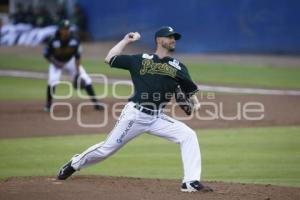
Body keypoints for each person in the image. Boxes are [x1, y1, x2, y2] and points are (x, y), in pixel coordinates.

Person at [57, 26, 213, 192]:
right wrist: (126, 41)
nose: (173, 40)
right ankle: (75, 163)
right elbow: (110, 58)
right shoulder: (139, 59)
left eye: (175, 37)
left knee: (188, 135)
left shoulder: (178, 67)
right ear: (159, 40)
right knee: (106, 150)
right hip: (135, 115)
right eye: (170, 37)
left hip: (157, 118)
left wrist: (195, 104)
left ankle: (190, 182)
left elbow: (191, 91)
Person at [43, 20, 103, 112]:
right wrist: (56, 63)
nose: (66, 31)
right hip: (56, 62)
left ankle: (96, 104)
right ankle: (48, 105)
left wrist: (78, 72)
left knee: (86, 79)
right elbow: (46, 54)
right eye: (64, 29)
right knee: (52, 81)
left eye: (67, 29)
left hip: (71, 61)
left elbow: (78, 56)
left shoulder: (75, 39)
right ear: (60, 30)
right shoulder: (53, 40)